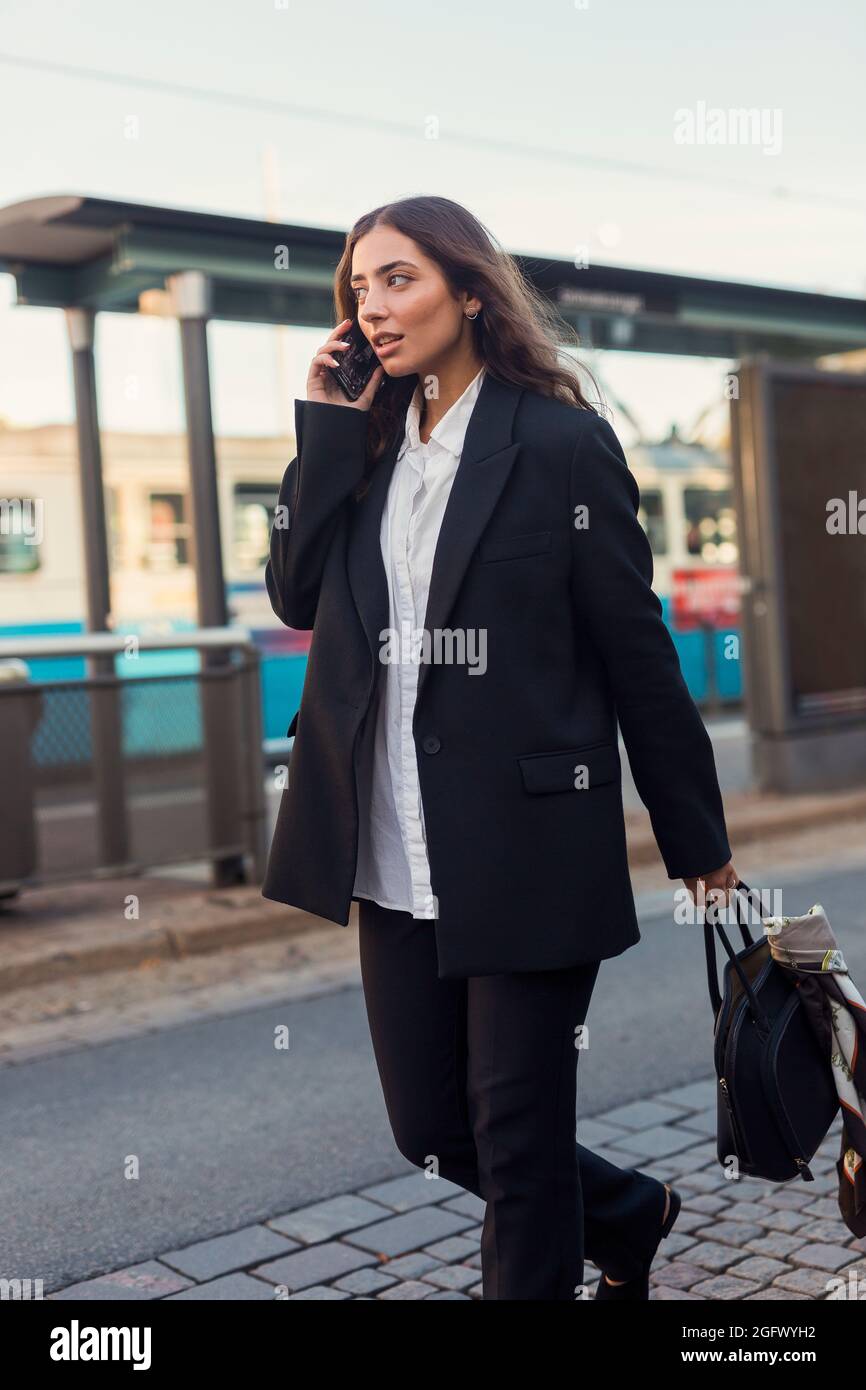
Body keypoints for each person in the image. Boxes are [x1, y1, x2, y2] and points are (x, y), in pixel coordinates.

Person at [262, 195, 738, 1300]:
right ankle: (627, 1212)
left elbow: (636, 655)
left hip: (526, 840)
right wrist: (320, 423)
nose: (372, 308)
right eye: (358, 289)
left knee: (519, 1143)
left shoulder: (562, 447)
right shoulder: (364, 450)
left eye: (399, 280)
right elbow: (292, 589)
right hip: (387, 847)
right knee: (430, 1129)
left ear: (469, 290)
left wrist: (697, 844)